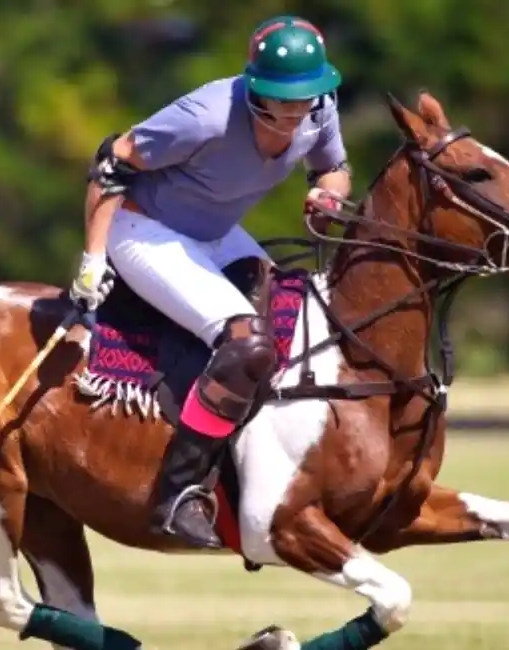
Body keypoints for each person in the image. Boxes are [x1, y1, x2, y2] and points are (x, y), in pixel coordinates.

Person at [69, 15, 353, 549]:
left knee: (290, 320)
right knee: (244, 341)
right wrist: (94, 257)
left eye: (307, 97)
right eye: (282, 98)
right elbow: (112, 163)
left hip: (217, 231)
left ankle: (258, 467)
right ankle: (177, 495)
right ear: (255, 90)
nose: (296, 112)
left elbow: (332, 167)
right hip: (146, 228)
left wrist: (327, 197)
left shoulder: (320, 111)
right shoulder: (205, 117)